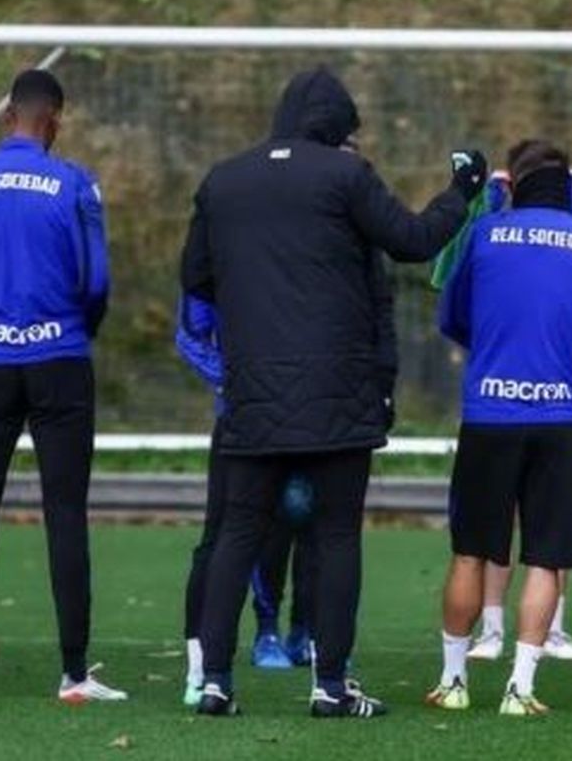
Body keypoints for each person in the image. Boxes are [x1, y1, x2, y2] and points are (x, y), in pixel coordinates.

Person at [181, 66, 483, 719]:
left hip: (253, 388)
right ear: (339, 128)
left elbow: (195, 277)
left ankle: (214, 681)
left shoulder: (224, 180)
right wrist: (462, 189)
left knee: (237, 533)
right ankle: (331, 685)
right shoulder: (344, 176)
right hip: (337, 391)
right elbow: (411, 240)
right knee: (337, 536)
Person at [0, 69, 117, 704]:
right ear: (56, 119)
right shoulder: (74, 184)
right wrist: (73, 329)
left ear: (7, 115)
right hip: (60, 355)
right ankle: (73, 673)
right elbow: (95, 283)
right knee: (65, 511)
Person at [427, 140, 572, 718]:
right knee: (547, 556)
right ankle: (521, 687)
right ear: (571, 186)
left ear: (513, 185)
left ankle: (454, 680)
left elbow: (452, 316)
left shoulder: (485, 235)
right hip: (557, 413)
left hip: (489, 411)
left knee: (469, 552)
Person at [174, 291, 323, 705]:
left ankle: (309, 639)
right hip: (242, 415)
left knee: (314, 522)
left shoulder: (315, 238)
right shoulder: (217, 241)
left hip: (310, 414)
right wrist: (235, 381)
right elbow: (189, 333)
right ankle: (207, 667)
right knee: (225, 534)